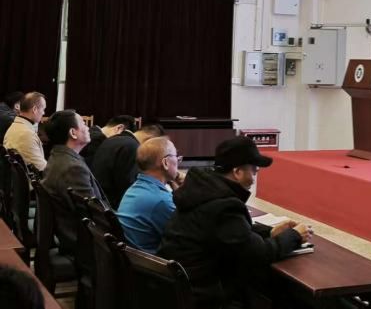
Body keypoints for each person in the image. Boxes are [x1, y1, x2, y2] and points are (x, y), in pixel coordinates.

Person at [158, 135, 312, 308]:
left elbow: (230, 233)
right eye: (254, 170)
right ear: (237, 172)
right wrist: (295, 235)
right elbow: (258, 254)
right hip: (206, 297)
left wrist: (269, 232)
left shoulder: (202, 191)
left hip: (183, 288)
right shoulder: (224, 205)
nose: (254, 177)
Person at [42, 109, 108, 252]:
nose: (88, 128)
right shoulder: (73, 168)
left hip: (74, 232)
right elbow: (95, 214)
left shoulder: (59, 156)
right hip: (85, 242)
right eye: (83, 124)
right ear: (73, 133)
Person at [117, 136, 181, 254]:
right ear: (165, 163)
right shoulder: (161, 200)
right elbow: (187, 235)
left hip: (132, 258)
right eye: (176, 157)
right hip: (152, 262)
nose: (178, 161)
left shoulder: (136, 188)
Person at [92, 122, 164, 208]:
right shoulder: (132, 147)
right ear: (150, 139)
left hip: (99, 200)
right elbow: (129, 188)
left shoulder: (113, 139)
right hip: (112, 206)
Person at [2, 91, 48, 171]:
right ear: (34, 109)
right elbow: (42, 169)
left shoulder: (15, 126)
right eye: (43, 109)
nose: (43, 113)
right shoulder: (26, 134)